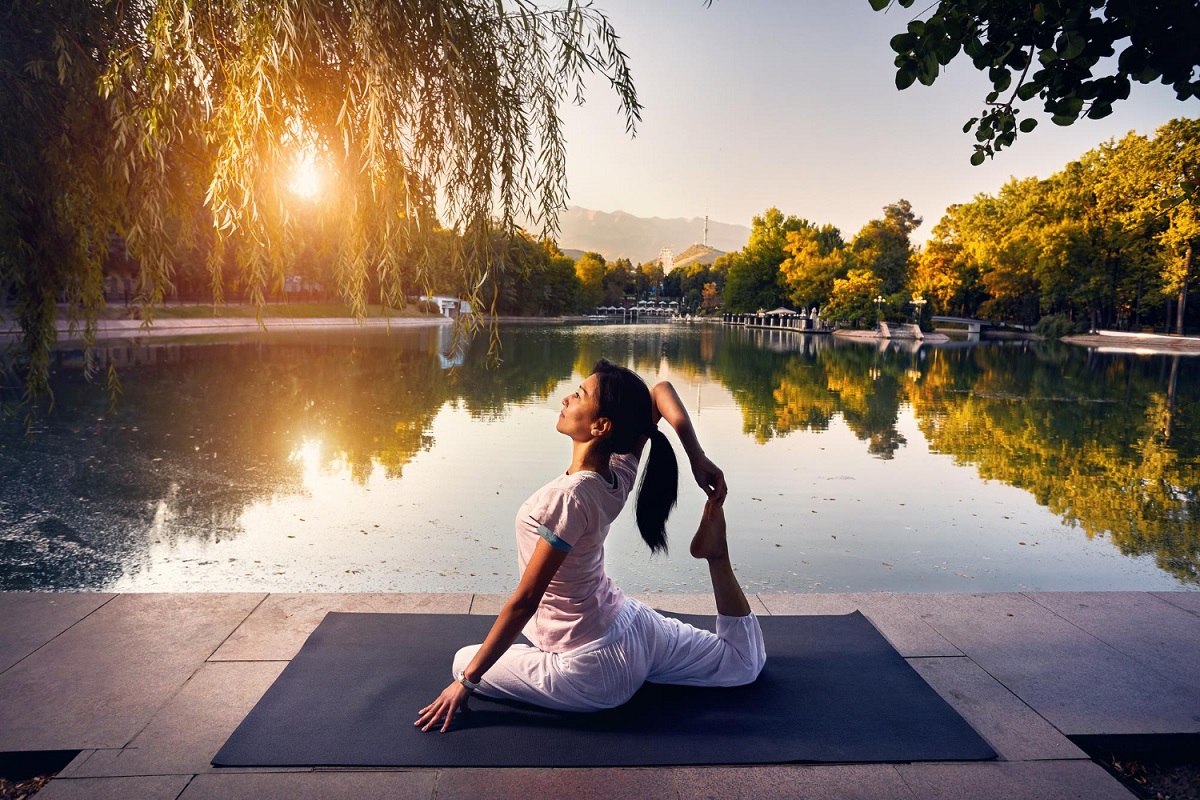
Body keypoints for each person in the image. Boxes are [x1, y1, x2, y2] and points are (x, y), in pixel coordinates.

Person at [415, 359, 766, 732]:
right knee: (742, 663)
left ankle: (533, 662)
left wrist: (466, 683)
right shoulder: (618, 472)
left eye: (579, 394)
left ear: (601, 426)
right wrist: (697, 457)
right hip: (635, 629)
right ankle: (717, 555)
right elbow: (660, 390)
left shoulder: (567, 498)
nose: (567, 397)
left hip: (592, 672)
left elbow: (526, 600)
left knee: (463, 660)